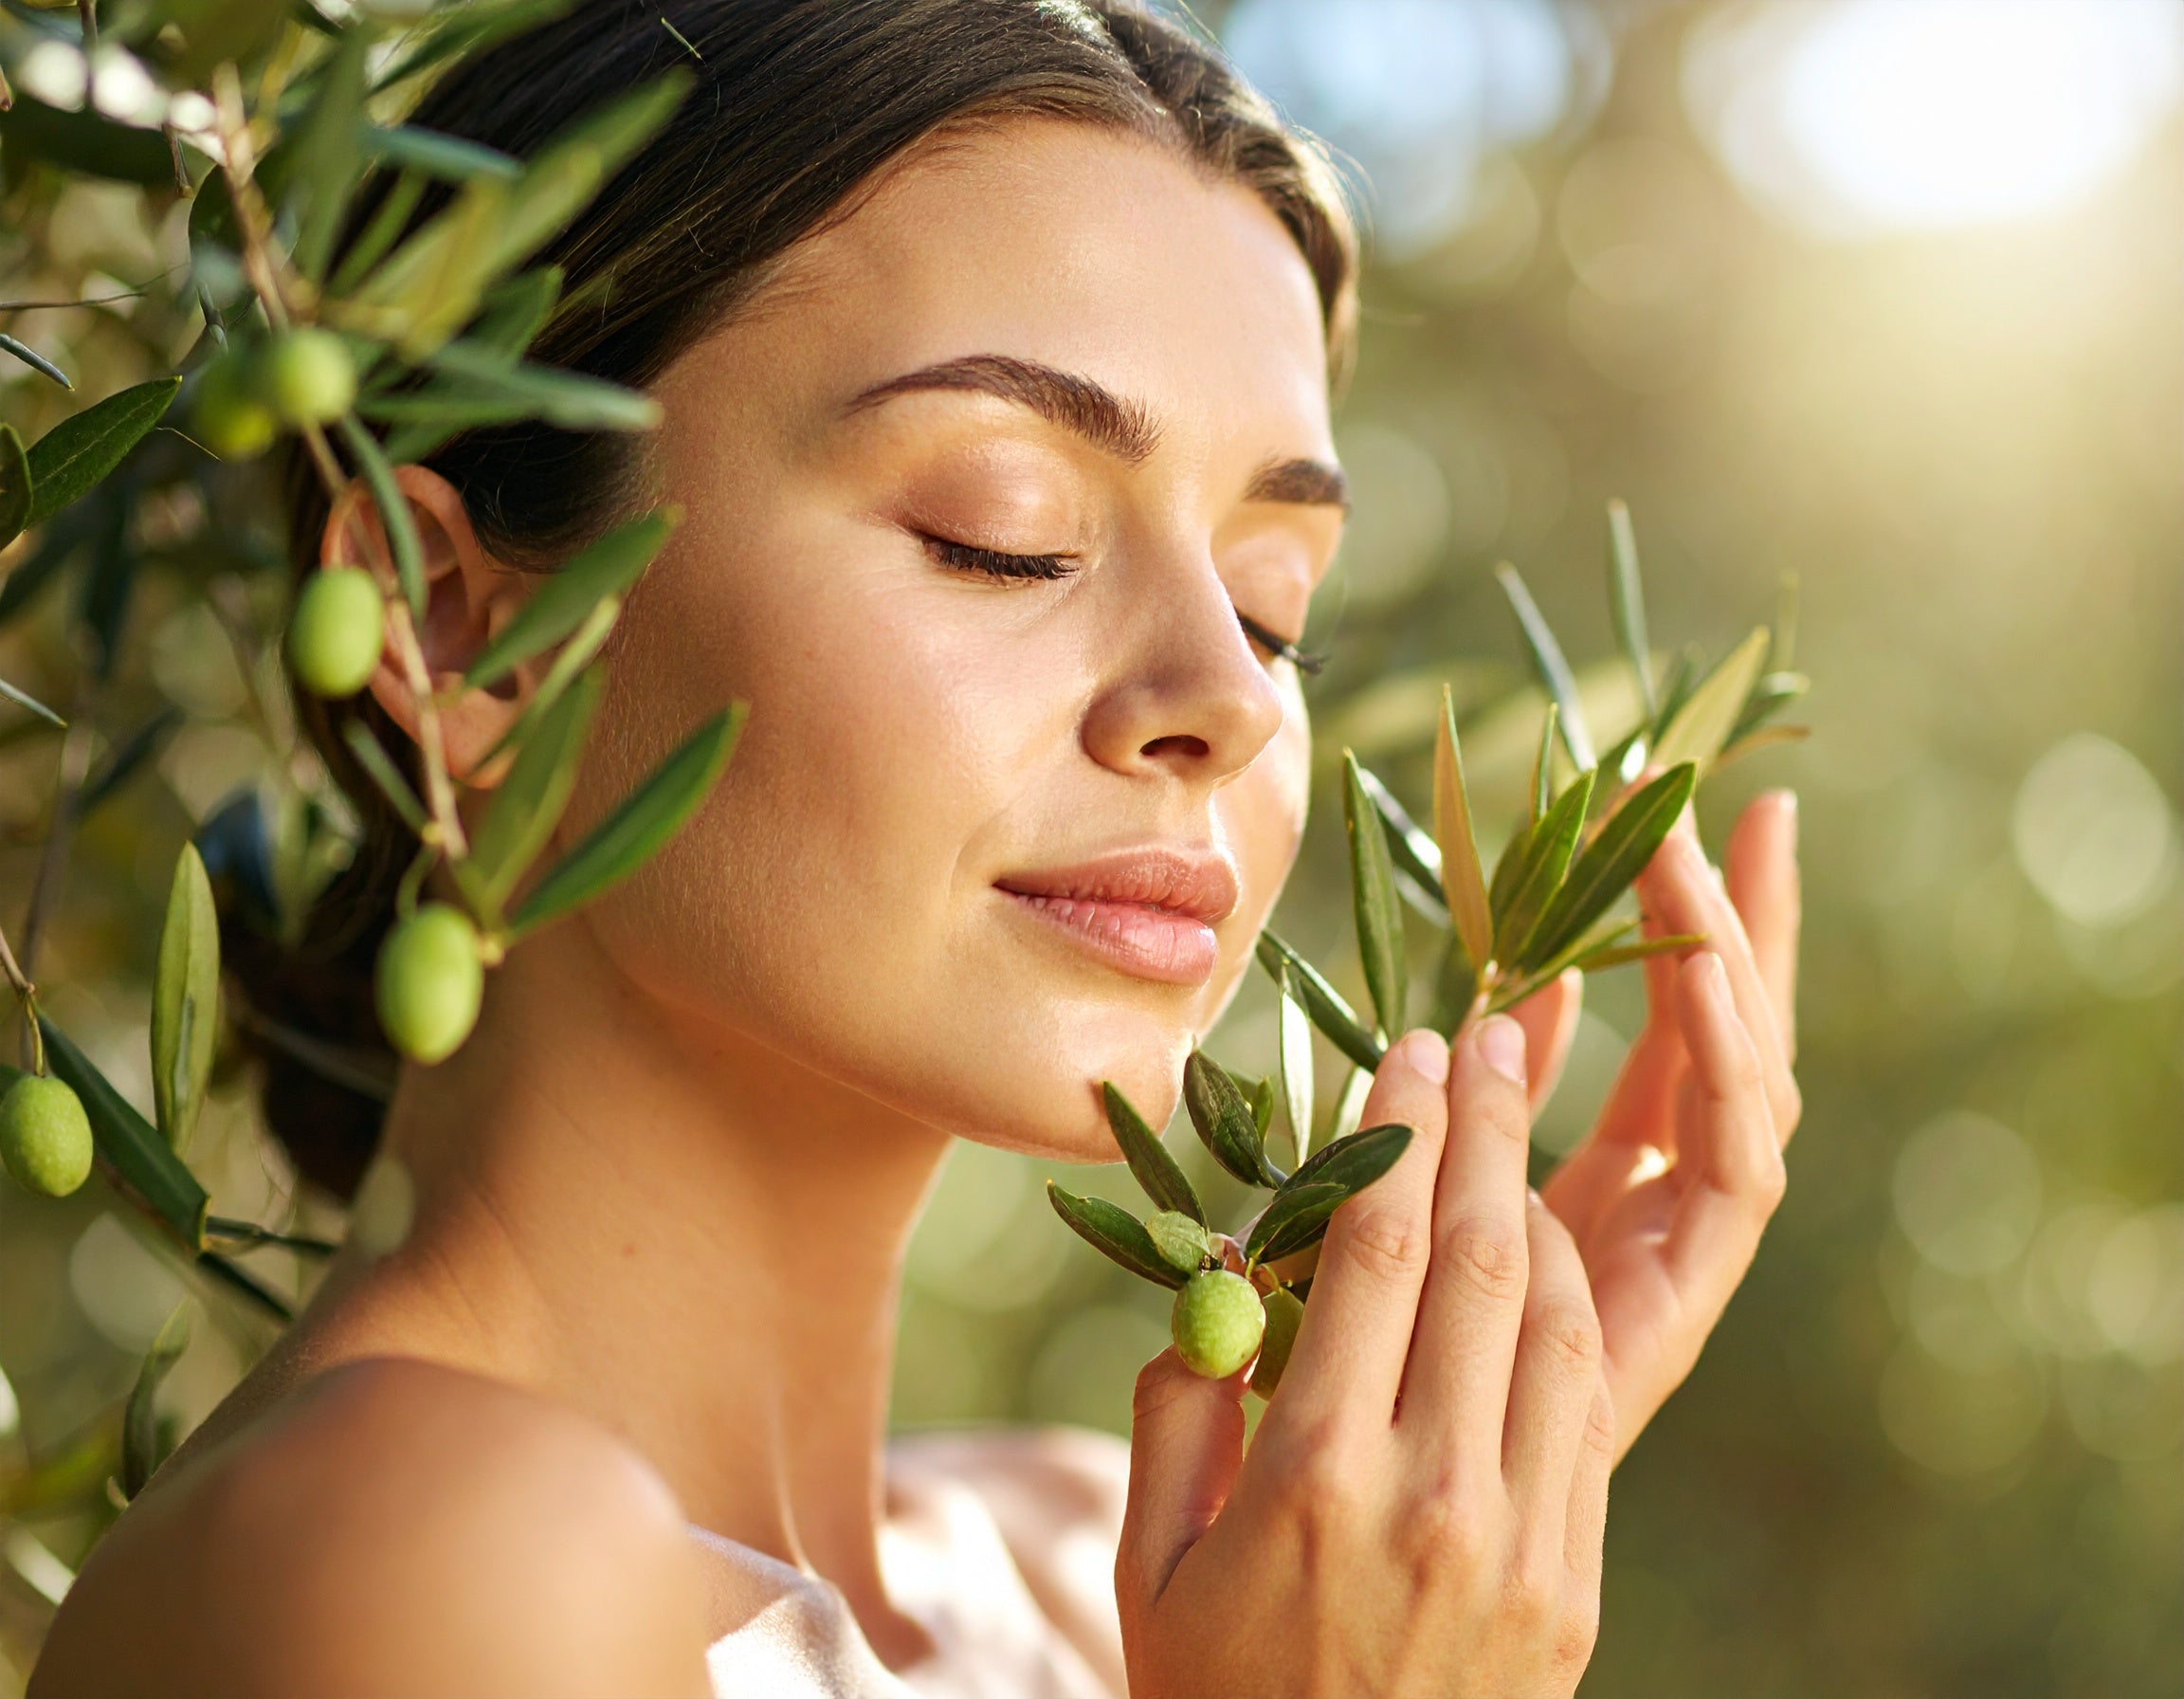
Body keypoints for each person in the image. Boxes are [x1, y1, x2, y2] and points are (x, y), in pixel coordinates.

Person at [29, 3, 1801, 1694]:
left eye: (1276, 610)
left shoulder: (1102, 1569)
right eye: (1001, 532)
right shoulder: (416, 1561)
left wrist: (1457, 1523)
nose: (1229, 700)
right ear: (453, 622)